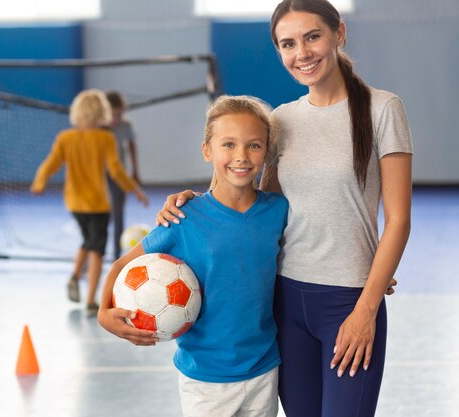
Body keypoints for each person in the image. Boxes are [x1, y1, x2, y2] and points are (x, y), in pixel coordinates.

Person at [155, 1, 413, 416]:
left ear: (339, 34)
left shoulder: (383, 109)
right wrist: (194, 202)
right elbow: (256, 201)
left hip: (349, 303)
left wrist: (366, 306)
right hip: (284, 301)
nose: (302, 53)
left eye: (313, 37)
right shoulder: (283, 120)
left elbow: (399, 220)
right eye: (288, 44)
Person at [99, 95, 289, 417]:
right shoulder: (183, 218)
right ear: (207, 150)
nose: (241, 156)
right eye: (228, 144)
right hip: (205, 378)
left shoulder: (279, 211)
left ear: (266, 151)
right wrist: (104, 313)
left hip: (264, 369)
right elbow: (121, 265)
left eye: (253, 145)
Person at [30, 89, 148, 317]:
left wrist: (40, 182)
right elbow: (116, 171)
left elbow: (50, 163)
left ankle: (75, 275)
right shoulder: (105, 138)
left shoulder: (65, 137)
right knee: (97, 251)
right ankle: (91, 300)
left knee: (87, 241)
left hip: (74, 203)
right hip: (96, 205)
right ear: (101, 112)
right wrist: (136, 190)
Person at [105, 91, 141, 260]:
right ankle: (93, 255)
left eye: (119, 114)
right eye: (112, 114)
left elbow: (132, 146)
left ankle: (117, 258)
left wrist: (135, 171)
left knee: (118, 215)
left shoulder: (125, 126)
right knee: (99, 217)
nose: (116, 118)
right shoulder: (97, 127)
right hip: (98, 176)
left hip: (118, 175)